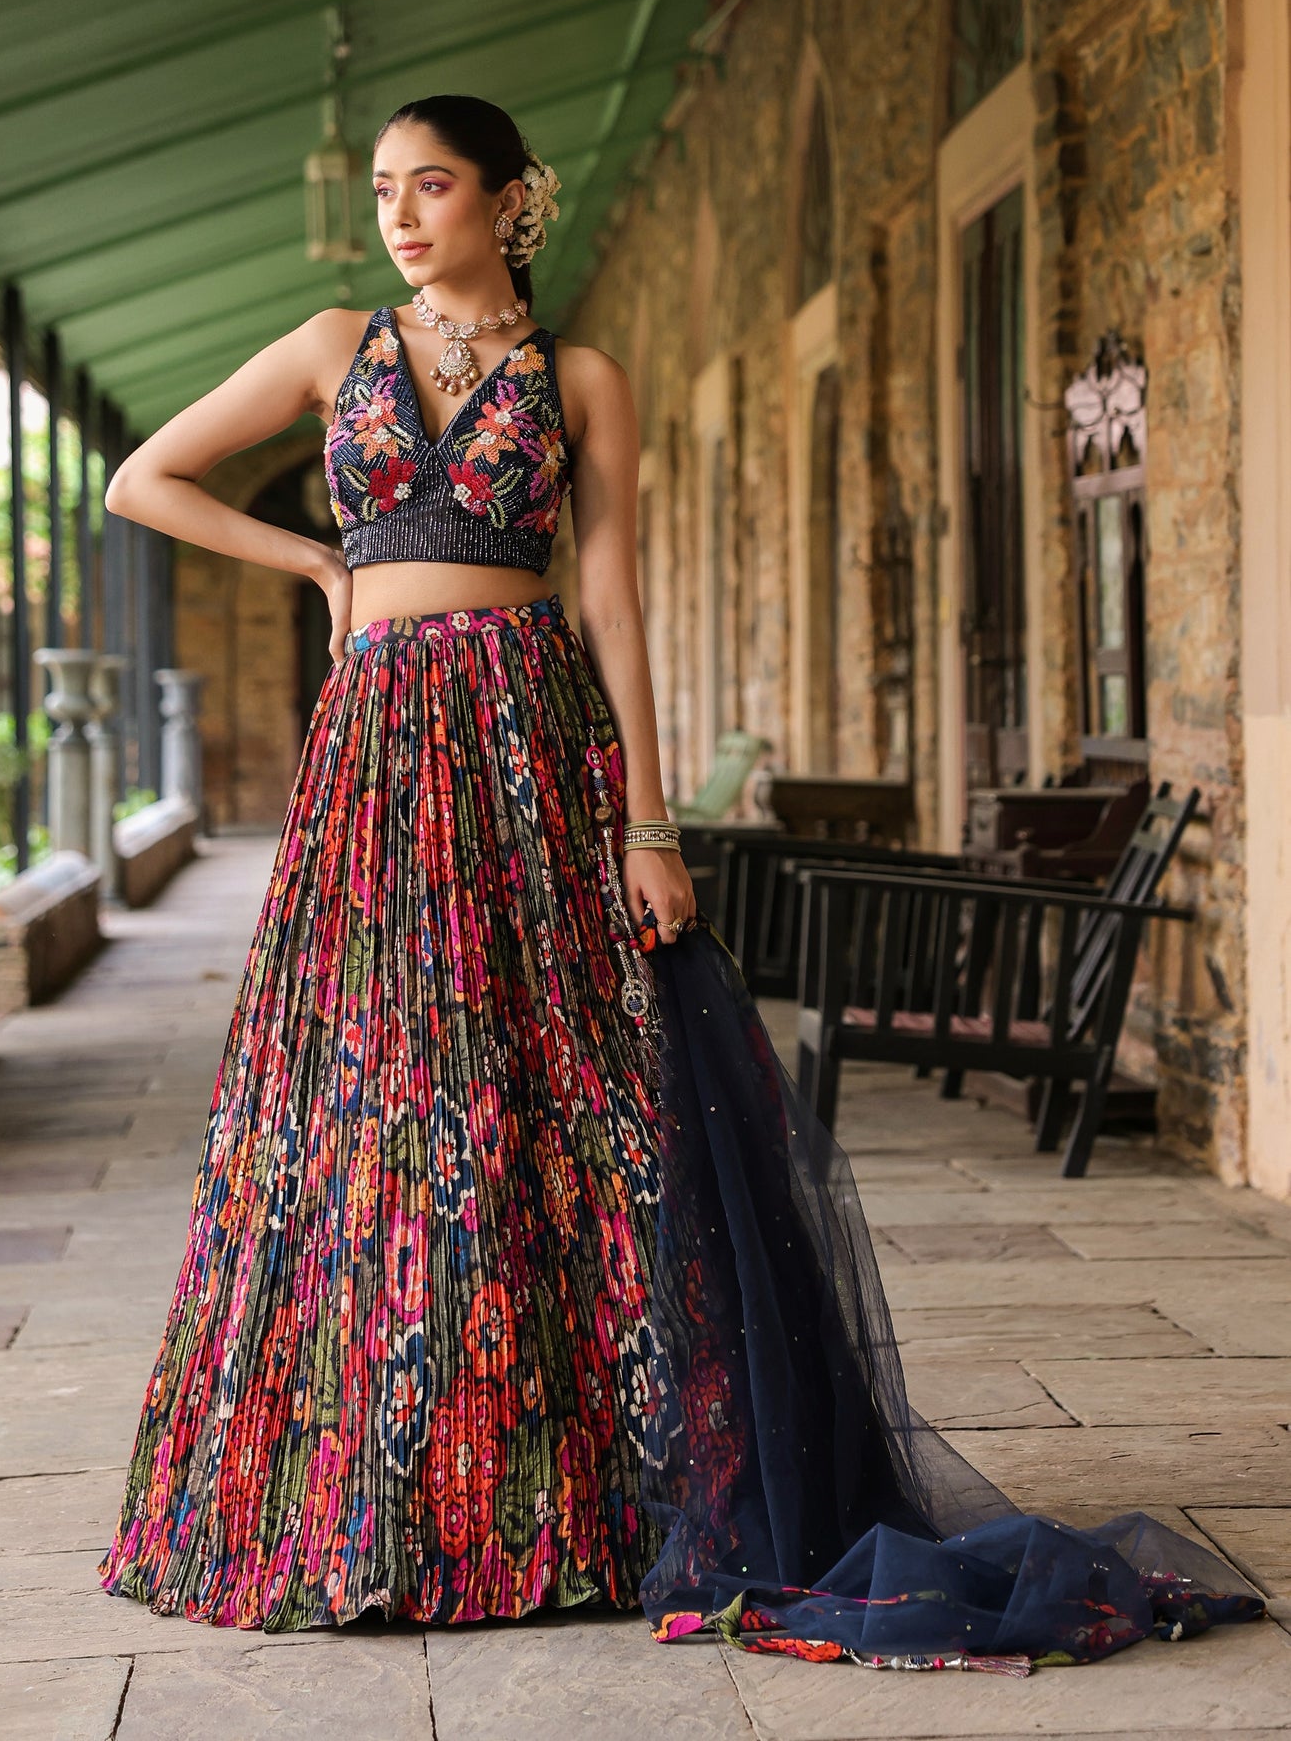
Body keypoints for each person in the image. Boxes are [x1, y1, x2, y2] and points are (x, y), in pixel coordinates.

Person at [97, 94, 1263, 1675]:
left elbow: (617, 600)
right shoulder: (329, 346)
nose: (397, 211)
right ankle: (370, 1499)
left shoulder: (579, 380)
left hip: (532, 744)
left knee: (555, 1103)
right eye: (382, 188)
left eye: (427, 184)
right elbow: (140, 481)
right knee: (374, 1096)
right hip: (374, 760)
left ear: (511, 201)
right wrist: (319, 566)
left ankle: (571, 1507)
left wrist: (650, 824)